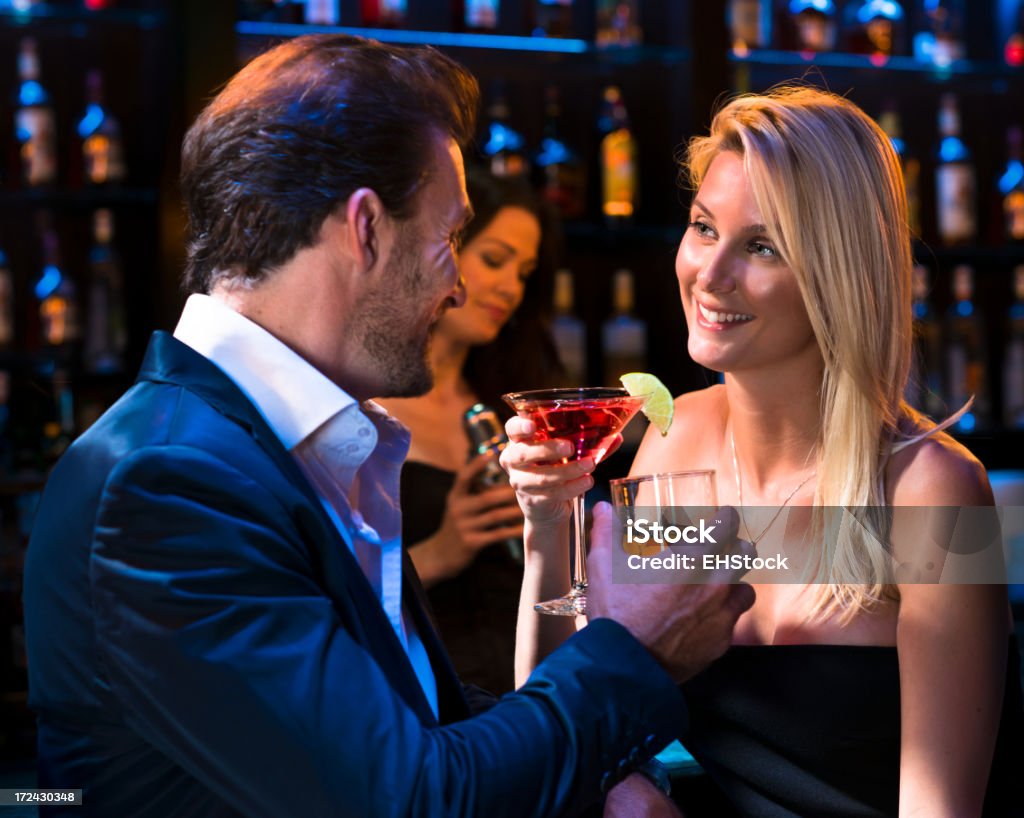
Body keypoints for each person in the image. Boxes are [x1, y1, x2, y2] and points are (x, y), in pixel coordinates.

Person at [21, 34, 755, 817]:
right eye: (449, 236)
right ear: (365, 228)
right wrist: (634, 652)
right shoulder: (167, 482)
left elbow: (415, 726)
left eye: (762, 244)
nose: (462, 281)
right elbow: (411, 795)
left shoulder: (288, 449)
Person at [503, 85, 1023, 817]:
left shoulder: (933, 490)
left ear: (838, 274)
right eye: (703, 228)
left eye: (762, 246)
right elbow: (574, 733)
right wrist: (548, 525)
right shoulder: (675, 440)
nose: (710, 277)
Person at [379, 169, 561, 695]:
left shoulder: (512, 403)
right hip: (427, 707)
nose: (510, 287)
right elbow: (323, 588)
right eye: (494, 260)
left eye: (524, 272)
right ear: (442, 248)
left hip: (533, 691)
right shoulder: (361, 408)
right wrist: (441, 550)